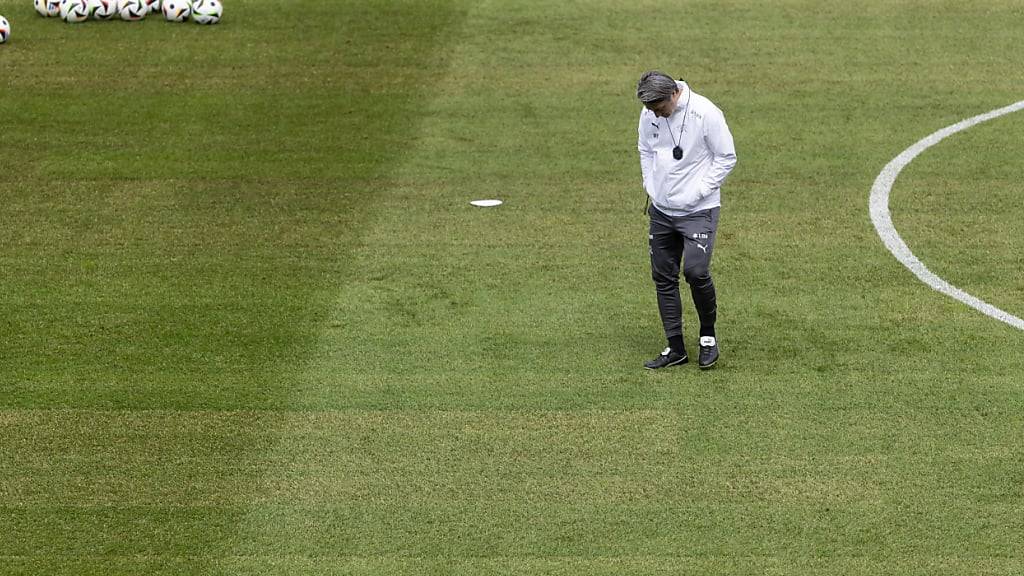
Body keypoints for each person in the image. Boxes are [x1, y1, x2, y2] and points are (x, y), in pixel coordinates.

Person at [636, 70, 737, 370]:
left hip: (698, 211)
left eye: (658, 108)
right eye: (650, 109)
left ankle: (707, 336)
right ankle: (675, 346)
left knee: (695, 271)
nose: (654, 113)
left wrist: (699, 192)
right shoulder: (649, 113)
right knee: (663, 277)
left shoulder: (705, 113)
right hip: (662, 212)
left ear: (672, 95)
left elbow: (727, 156)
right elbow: (645, 149)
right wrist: (649, 186)